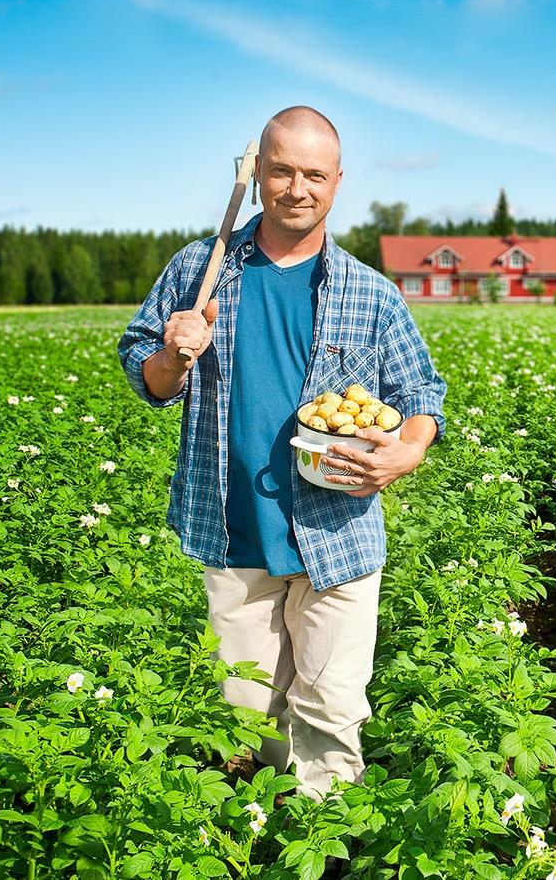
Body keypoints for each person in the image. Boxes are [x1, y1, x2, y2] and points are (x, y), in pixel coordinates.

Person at [118, 106, 446, 797]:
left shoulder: (369, 292)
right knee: (252, 713)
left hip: (338, 537)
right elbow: (146, 370)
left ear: (337, 182)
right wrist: (175, 358)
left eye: (314, 175)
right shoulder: (201, 271)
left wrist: (406, 452)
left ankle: (319, 847)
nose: (297, 187)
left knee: (328, 716)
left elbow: (422, 391)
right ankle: (273, 821)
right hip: (235, 531)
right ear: (258, 173)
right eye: (282, 170)